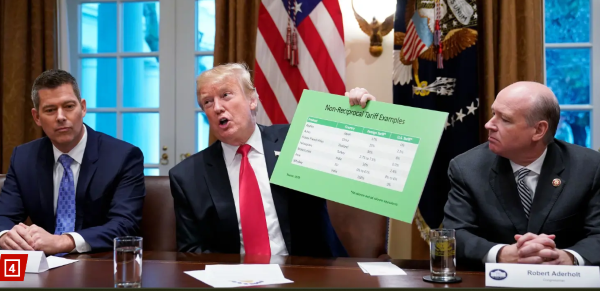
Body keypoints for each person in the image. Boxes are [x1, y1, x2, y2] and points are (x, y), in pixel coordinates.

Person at [169, 63, 376, 257]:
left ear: (252, 100)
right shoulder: (187, 176)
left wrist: (363, 117)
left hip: (309, 275)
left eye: (226, 95)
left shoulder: (298, 140)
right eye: (208, 102)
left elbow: (360, 168)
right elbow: (191, 252)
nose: (217, 108)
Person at [443, 81, 600, 269]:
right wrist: (501, 254)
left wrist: (568, 257)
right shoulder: (467, 168)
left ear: (539, 130)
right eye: (494, 114)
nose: (489, 125)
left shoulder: (589, 167)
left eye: (505, 119)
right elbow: (455, 234)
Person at [0, 69, 146, 255]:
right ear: (37, 117)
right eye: (50, 110)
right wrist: (5, 236)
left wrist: (64, 241)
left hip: (99, 264)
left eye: (69, 106)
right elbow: (4, 216)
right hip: (43, 266)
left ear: (83, 108)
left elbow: (125, 225)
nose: (61, 117)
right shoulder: (23, 157)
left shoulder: (123, 156)